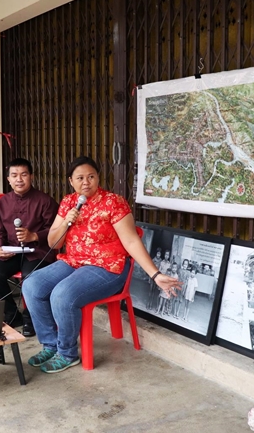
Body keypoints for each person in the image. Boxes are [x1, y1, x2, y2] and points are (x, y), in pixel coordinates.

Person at [22, 156, 182, 373]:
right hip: (74, 262)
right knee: (32, 285)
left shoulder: (113, 202)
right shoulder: (69, 202)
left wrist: (155, 274)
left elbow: (131, 241)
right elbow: (54, 243)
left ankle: (67, 353)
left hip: (107, 267)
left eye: (91, 176)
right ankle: (50, 345)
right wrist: (67, 221)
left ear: (98, 178)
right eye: (80, 178)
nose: (86, 182)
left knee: (62, 294)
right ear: (71, 181)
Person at [0, 158, 58, 337]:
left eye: (24, 174)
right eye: (14, 175)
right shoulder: (3, 202)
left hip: (38, 251)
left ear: (31, 176)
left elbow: (56, 230)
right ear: (8, 179)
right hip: (12, 251)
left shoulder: (45, 201)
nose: (19, 179)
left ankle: (30, 318)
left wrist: (34, 236)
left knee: (30, 278)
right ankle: (12, 315)